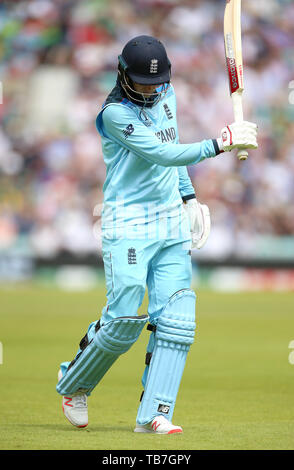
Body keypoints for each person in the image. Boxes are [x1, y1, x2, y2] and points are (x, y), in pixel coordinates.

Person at [56, 35, 257, 434]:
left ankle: (155, 414)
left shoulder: (167, 94)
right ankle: (74, 385)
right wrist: (221, 143)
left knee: (178, 319)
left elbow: (172, 143)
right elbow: (159, 153)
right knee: (125, 318)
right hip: (129, 222)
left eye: (157, 82)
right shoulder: (114, 113)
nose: (151, 90)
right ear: (122, 73)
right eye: (143, 83)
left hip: (169, 221)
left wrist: (188, 197)